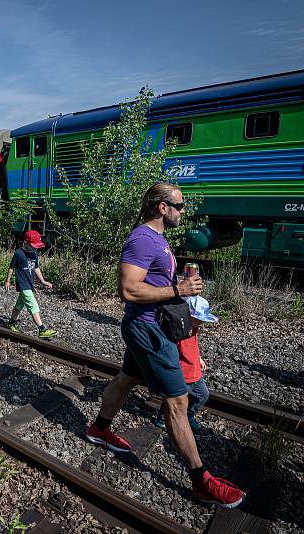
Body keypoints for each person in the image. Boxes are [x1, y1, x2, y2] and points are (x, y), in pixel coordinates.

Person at [84, 182, 245, 509]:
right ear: (162, 207)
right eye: (180, 205)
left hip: (151, 327)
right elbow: (128, 290)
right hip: (148, 331)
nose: (183, 211)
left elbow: (151, 282)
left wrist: (178, 286)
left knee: (126, 379)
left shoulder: (157, 239)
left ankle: (99, 429)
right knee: (178, 402)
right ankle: (201, 481)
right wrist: (178, 291)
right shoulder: (142, 239)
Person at [154, 295, 217, 432]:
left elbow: (193, 345)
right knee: (174, 399)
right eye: (199, 319)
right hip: (182, 372)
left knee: (202, 395)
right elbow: (169, 351)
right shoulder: (177, 329)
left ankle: (188, 415)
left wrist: (198, 358)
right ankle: (162, 419)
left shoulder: (194, 328)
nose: (201, 322)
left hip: (194, 370)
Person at [5, 230, 57, 339]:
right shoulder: (18, 253)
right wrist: (8, 281)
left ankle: (11, 323)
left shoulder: (35, 253)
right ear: (26, 243)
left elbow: (36, 268)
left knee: (19, 305)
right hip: (22, 284)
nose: (35, 248)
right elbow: (11, 268)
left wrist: (43, 281)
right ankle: (42, 329)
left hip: (29, 284)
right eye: (33, 246)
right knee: (33, 305)